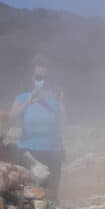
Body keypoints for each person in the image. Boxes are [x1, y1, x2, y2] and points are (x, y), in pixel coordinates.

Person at [10, 53, 66, 199]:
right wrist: (31, 98)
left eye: (45, 78)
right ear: (32, 77)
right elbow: (12, 117)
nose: (42, 82)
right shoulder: (22, 97)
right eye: (38, 78)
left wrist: (60, 102)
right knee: (33, 197)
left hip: (53, 151)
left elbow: (63, 121)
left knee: (52, 195)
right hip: (30, 152)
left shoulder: (54, 98)